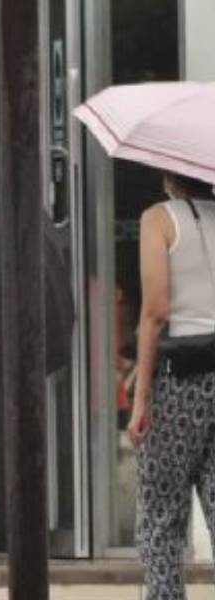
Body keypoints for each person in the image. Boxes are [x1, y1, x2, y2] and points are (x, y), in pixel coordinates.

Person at [128, 171, 215, 600]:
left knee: (162, 517)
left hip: (179, 379)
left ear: (169, 174)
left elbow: (156, 312)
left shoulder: (158, 219)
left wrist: (140, 399)